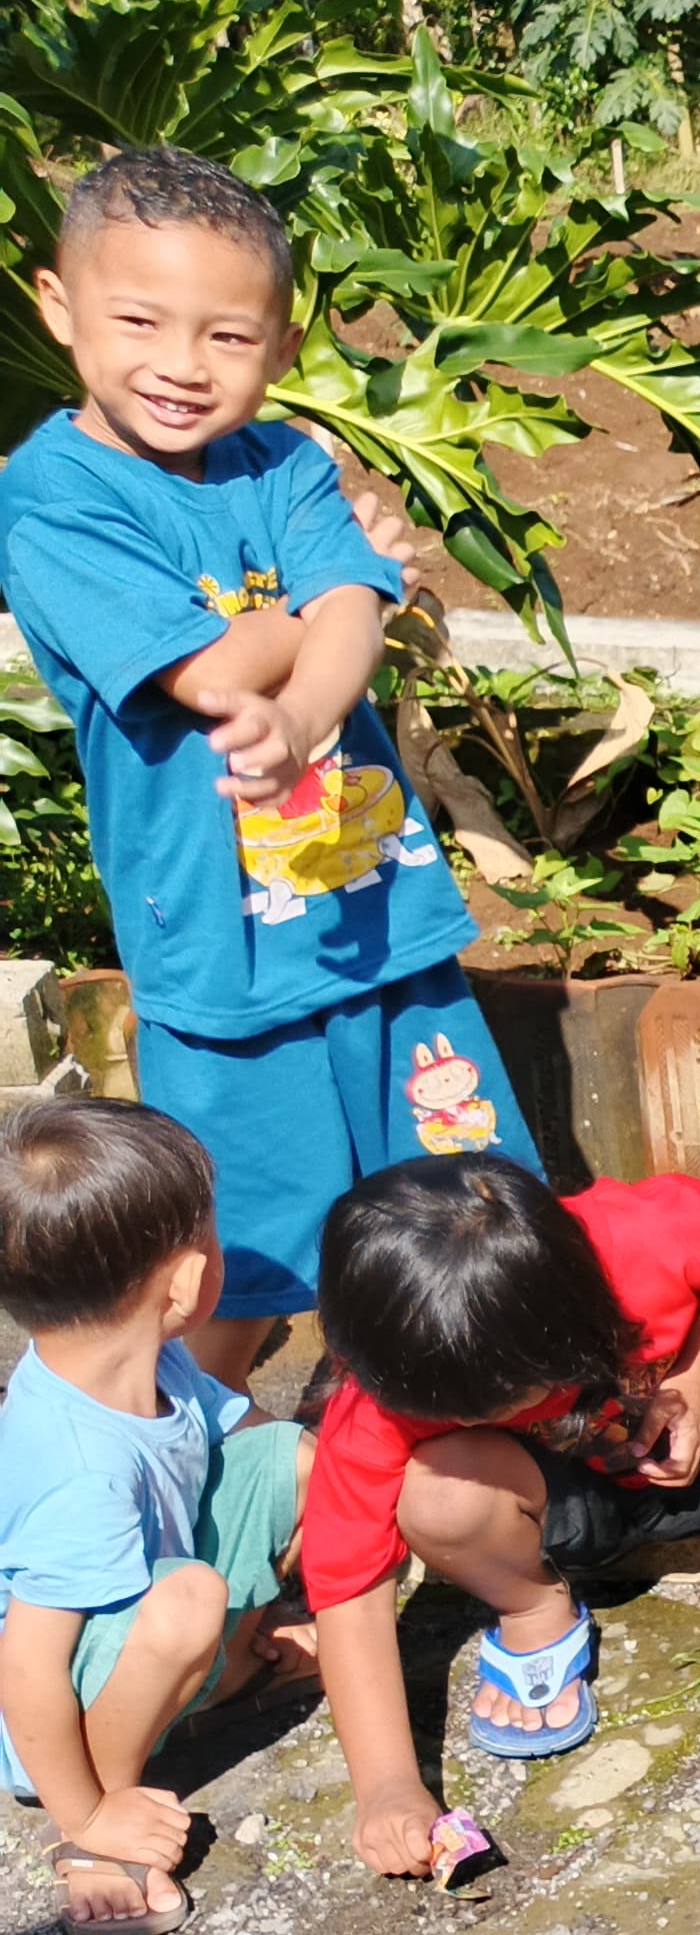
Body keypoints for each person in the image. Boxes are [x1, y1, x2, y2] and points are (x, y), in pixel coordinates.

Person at [0, 148, 537, 1385]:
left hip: (378, 922)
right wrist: (346, 589)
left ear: (282, 345)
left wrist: (306, 707)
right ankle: (190, 1473)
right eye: (140, 321)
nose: (183, 365)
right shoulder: (54, 499)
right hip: (222, 956)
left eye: (228, 335)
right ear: (58, 305)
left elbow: (338, 631)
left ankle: (393, 1449)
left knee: (456, 1218)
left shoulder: (285, 463)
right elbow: (216, 670)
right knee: (234, 1269)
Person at [303, 1154, 700, 1877]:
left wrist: (687, 1382)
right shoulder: (378, 1401)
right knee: (437, 1493)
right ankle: (532, 1607)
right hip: (549, 1519)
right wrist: (388, 1786)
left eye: (523, 1388)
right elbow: (350, 1600)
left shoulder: (645, 1234)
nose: (514, 1412)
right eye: (464, 1411)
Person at [0, 1100, 309, 1935]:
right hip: (69, 1713)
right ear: (182, 1284)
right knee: (188, 1601)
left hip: (159, 1602)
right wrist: (86, 1814)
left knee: (294, 1455)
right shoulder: (78, 1472)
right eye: (213, 1238)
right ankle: (103, 1818)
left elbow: (231, 1434)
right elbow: (27, 1668)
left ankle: (233, 1662)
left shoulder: (147, 1352)